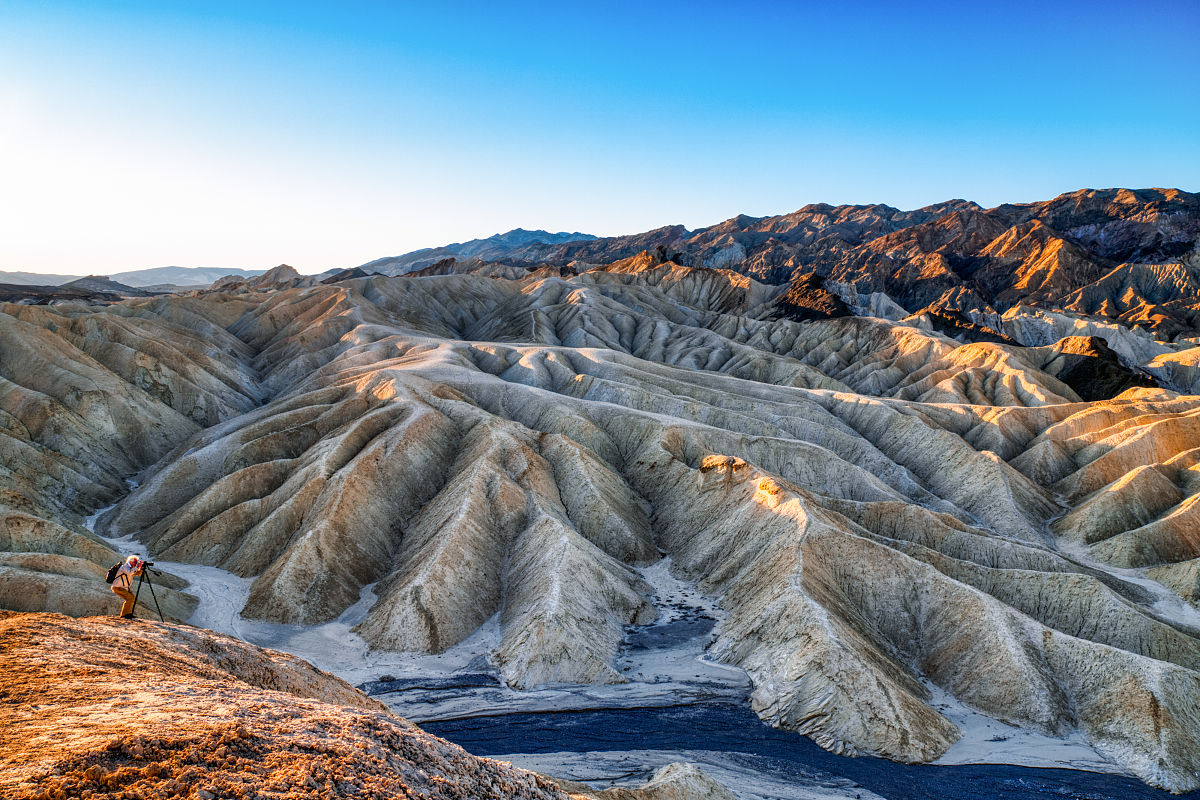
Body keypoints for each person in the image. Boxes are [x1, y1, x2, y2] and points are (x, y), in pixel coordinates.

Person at [111, 554, 145, 619]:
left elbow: (138, 574)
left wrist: (140, 568)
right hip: (117, 587)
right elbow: (129, 572)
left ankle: (127, 613)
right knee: (129, 598)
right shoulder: (124, 567)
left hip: (124, 588)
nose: (136, 564)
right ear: (131, 562)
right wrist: (137, 567)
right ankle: (125, 615)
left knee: (132, 598)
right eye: (135, 562)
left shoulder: (131, 568)